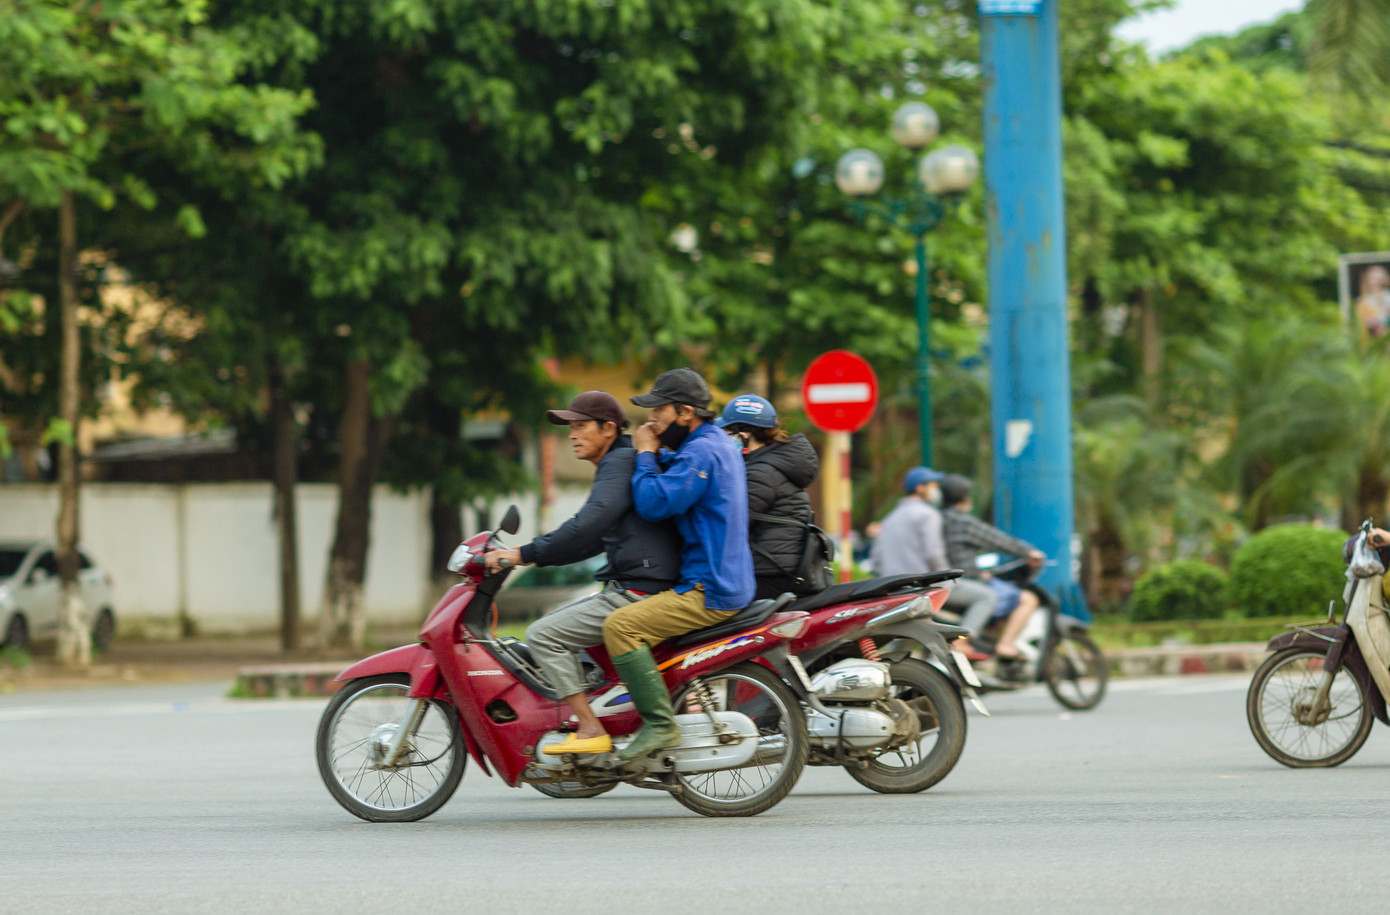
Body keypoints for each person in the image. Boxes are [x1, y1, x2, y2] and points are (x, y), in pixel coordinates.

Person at [483, 391, 681, 756]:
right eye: (569, 428)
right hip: (638, 582)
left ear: (608, 429)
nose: (572, 435)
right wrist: (531, 557)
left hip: (640, 588)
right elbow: (590, 541)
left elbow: (586, 525)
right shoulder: (620, 462)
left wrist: (521, 553)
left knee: (543, 634)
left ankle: (590, 728)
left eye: (580, 427)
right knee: (564, 628)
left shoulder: (619, 463)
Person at [599, 367, 756, 761]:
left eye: (659, 411)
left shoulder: (702, 451)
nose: (651, 419)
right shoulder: (715, 441)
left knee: (620, 627)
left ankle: (659, 724)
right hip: (725, 580)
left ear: (685, 412)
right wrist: (661, 451)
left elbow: (653, 504)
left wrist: (646, 452)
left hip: (709, 589)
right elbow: (683, 470)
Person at [871, 466, 998, 650]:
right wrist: (949, 580)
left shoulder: (890, 518)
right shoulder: (928, 515)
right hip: (925, 587)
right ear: (920, 488)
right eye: (933, 485)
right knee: (987, 596)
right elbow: (933, 554)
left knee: (899, 646)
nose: (936, 490)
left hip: (896, 591)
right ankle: (962, 642)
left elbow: (876, 561)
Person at [715, 393, 820, 600]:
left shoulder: (761, 472)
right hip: (777, 570)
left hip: (771, 575)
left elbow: (732, 524)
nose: (723, 441)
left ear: (743, 435)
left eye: (726, 433)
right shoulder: (769, 464)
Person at [939, 474, 1045, 659]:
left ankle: (986, 640)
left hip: (948, 579)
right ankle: (1004, 644)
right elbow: (997, 540)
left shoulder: (937, 519)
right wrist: (1029, 552)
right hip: (966, 581)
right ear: (964, 497)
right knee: (1028, 599)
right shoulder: (962, 522)